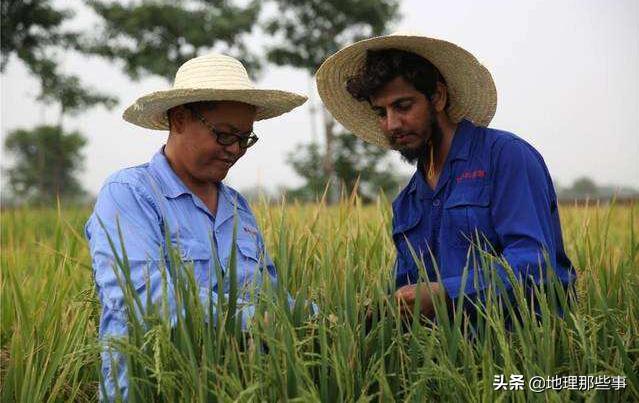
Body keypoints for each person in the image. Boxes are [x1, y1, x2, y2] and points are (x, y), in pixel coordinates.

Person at [85, 53, 306, 401]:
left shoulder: (237, 208)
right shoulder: (129, 195)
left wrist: (326, 319)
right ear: (180, 119)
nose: (234, 150)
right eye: (223, 135)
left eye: (245, 138)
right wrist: (256, 320)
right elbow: (145, 297)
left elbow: (268, 297)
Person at [316, 33, 576, 322]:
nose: (392, 124)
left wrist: (447, 293)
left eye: (403, 106)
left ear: (437, 97)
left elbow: (535, 262)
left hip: (524, 348)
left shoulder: (505, 157)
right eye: (381, 112)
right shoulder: (408, 202)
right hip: (446, 358)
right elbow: (409, 295)